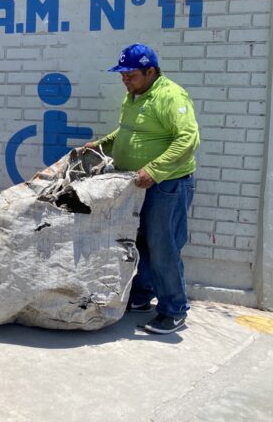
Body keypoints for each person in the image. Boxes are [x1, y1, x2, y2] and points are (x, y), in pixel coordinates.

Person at [84, 43, 199, 335]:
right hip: (139, 184)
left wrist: (155, 169)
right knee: (143, 243)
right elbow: (127, 131)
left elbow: (188, 139)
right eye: (122, 75)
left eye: (131, 75)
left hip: (167, 184)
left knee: (163, 247)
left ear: (150, 71)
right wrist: (101, 144)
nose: (125, 80)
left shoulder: (171, 96)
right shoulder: (134, 96)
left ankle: (174, 310)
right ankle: (141, 297)